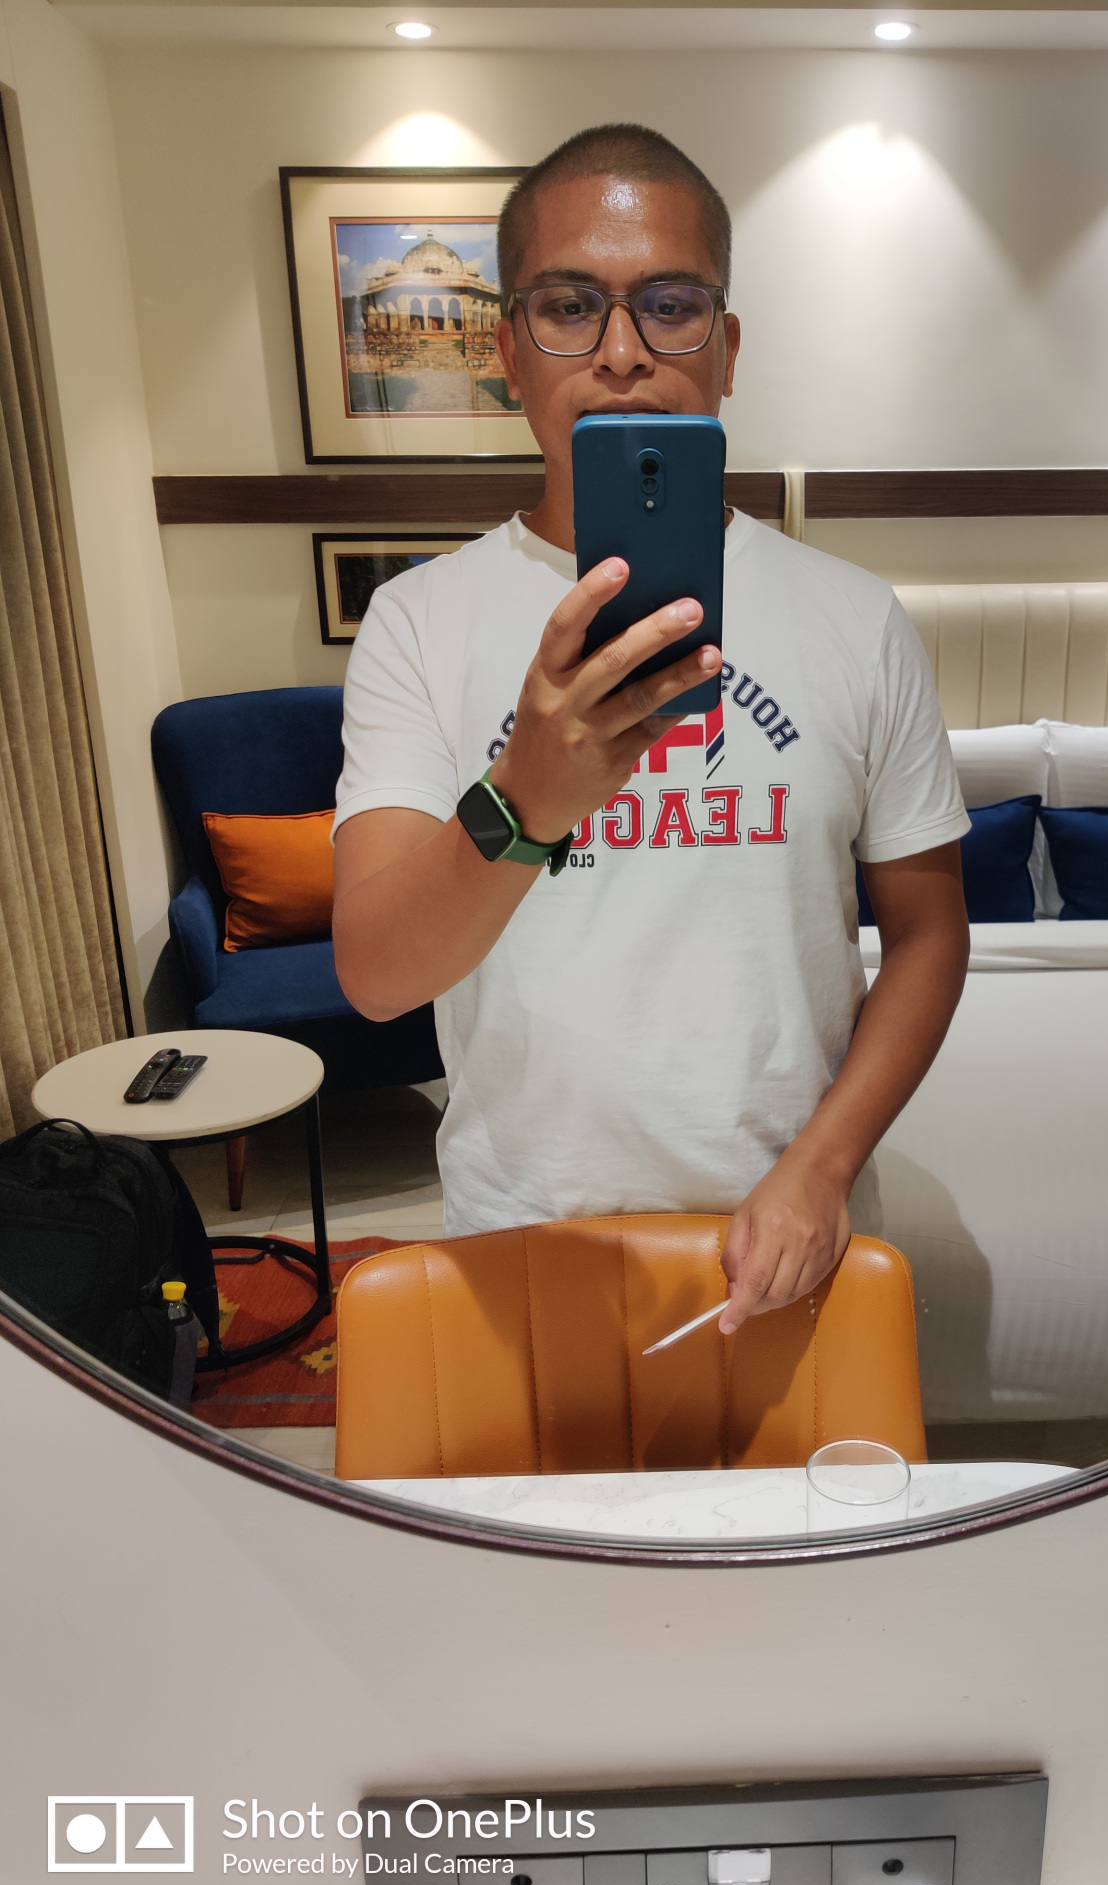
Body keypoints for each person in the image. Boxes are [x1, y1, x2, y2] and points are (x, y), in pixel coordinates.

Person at [332, 123, 970, 1333]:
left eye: (670, 305)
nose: (622, 351)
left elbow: (930, 935)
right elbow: (376, 975)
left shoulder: (855, 618)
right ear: (508, 351)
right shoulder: (419, 622)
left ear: (725, 349)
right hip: (520, 1237)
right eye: (570, 306)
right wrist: (526, 800)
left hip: (785, 1240)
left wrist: (823, 1166)